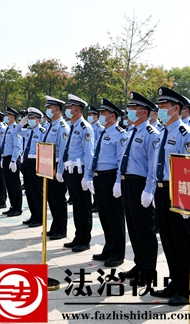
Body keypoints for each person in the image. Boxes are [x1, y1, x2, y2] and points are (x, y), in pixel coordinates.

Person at [151, 87, 190, 305]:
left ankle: (186, 288)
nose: (159, 109)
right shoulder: (162, 132)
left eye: (163, 106)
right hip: (162, 190)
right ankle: (174, 282)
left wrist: (189, 204)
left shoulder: (185, 133)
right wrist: (152, 189)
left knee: (181, 241)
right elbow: (156, 165)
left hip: (178, 192)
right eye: (159, 106)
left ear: (176, 108)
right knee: (168, 240)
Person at [118, 92, 159, 287]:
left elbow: (153, 164)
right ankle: (139, 264)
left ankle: (148, 272)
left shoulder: (152, 134)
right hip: (127, 183)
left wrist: (149, 189)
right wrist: (119, 181)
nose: (130, 112)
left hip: (140, 185)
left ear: (143, 112)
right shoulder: (130, 132)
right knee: (133, 227)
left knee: (144, 229)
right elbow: (123, 160)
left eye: (133, 109)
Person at [88, 99, 127, 267]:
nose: (100, 116)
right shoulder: (103, 132)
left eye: (103, 113)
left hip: (111, 177)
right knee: (104, 215)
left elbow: (121, 161)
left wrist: (118, 181)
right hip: (100, 177)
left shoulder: (120, 134)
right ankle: (108, 247)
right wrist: (90, 176)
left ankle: (117, 253)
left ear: (112, 116)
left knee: (114, 217)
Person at [56, 94, 94, 253]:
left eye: (70, 107)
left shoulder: (86, 127)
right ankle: (78, 236)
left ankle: (85, 240)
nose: (68, 110)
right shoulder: (73, 126)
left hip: (80, 171)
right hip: (71, 171)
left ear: (77, 109)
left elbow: (89, 153)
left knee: (84, 207)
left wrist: (88, 176)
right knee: (77, 206)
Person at [43, 96, 70, 240]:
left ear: (57, 109)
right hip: (48, 165)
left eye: (49, 107)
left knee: (58, 199)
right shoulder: (51, 125)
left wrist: (60, 170)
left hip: (57, 166)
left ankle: (61, 229)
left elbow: (64, 151)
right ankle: (55, 226)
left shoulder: (62, 127)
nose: (47, 110)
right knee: (51, 198)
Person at [18, 107, 46, 227]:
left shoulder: (42, 131)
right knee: (29, 191)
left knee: (36, 191)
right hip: (26, 162)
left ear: (39, 120)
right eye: (29, 118)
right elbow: (16, 132)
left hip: (36, 162)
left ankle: (40, 217)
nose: (30, 120)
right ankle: (33, 215)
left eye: (33, 118)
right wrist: (21, 123)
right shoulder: (28, 130)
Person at [1, 106, 23, 217]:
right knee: (9, 184)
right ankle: (12, 206)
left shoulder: (15, 128)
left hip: (12, 159)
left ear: (12, 117)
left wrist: (14, 160)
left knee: (14, 184)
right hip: (6, 158)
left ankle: (18, 208)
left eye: (7, 115)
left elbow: (17, 146)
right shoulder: (7, 128)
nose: (5, 117)